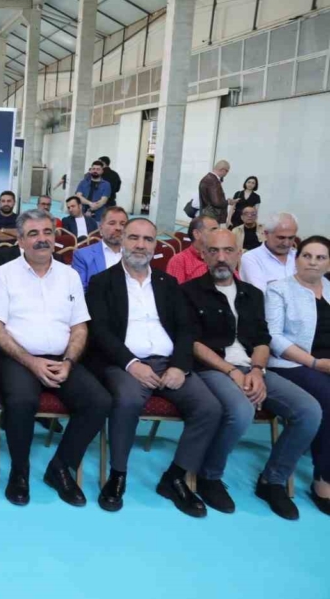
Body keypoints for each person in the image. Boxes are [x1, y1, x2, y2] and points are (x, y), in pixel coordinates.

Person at [87, 218, 222, 517]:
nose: (140, 245)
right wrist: (131, 364)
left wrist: (179, 366)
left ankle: (175, 478)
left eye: (148, 239)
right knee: (127, 401)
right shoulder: (102, 282)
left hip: (168, 362)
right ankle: (117, 475)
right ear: (122, 240)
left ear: (155, 245)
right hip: (123, 363)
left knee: (209, 408)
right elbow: (100, 332)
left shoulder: (168, 283)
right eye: (134, 238)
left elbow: (186, 329)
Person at [182, 229, 321, 520]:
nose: (221, 258)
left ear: (239, 254)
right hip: (212, 368)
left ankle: (273, 481)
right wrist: (232, 371)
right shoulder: (189, 292)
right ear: (204, 255)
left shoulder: (253, 294)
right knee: (241, 410)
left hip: (253, 367)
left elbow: (262, 340)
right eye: (214, 251)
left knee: (309, 411)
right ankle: (209, 476)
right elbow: (192, 343)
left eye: (228, 251)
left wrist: (257, 370)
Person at [0, 209, 111, 507]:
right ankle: (20, 472)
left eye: (47, 232)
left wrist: (68, 362)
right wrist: (31, 362)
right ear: (20, 241)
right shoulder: (4, 274)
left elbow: (80, 327)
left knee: (99, 401)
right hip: (15, 358)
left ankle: (60, 467)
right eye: (33, 234)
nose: (42, 239)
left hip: (61, 358)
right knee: (21, 401)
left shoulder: (69, 276)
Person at [264, 235, 330, 516]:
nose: (313, 262)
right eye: (307, 256)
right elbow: (274, 338)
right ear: (296, 258)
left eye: (320, 257)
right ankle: (324, 480)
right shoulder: (279, 289)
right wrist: (314, 363)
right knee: (327, 398)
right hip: (291, 364)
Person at [72, 206, 128, 290]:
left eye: (123, 224)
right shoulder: (82, 255)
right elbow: (79, 291)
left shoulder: (136, 254)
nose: (118, 228)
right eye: (112, 223)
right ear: (101, 228)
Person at [240, 212, 298, 293]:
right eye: (281, 238)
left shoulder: (299, 256)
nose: (286, 243)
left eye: (291, 238)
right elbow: (262, 295)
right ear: (266, 234)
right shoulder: (251, 258)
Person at [166, 214, 220, 284]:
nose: (219, 234)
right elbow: (175, 290)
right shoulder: (179, 261)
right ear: (196, 234)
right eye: (214, 230)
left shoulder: (222, 257)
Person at [199, 159, 233, 225]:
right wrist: (228, 202)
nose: (226, 174)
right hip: (213, 216)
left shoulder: (207, 178)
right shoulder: (213, 181)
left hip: (207, 214)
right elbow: (217, 202)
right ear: (223, 170)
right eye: (227, 171)